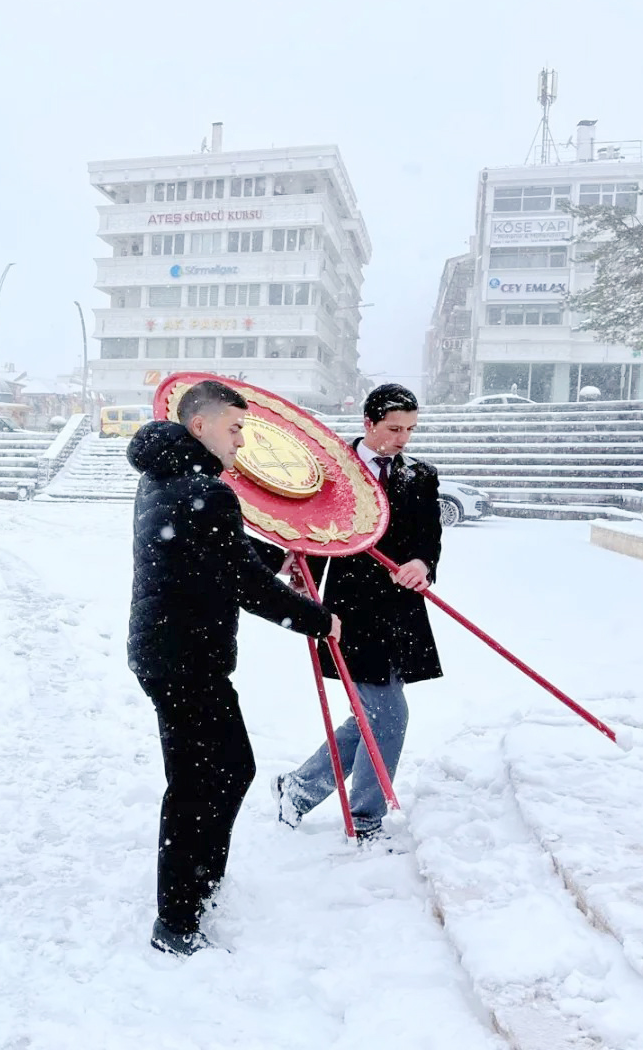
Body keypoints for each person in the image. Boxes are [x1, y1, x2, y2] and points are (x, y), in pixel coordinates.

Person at [127, 379, 341, 957]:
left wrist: (281, 557)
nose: (243, 442)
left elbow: (216, 554)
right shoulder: (204, 492)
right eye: (236, 428)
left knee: (213, 774)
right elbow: (242, 580)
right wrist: (318, 620)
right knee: (210, 779)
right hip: (186, 657)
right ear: (201, 426)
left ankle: (197, 891)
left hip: (168, 651)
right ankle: (178, 921)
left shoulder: (167, 478)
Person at [275, 383, 442, 843]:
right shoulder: (334, 473)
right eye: (393, 428)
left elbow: (429, 538)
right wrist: (301, 576)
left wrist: (421, 563)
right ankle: (367, 819)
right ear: (368, 424)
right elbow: (312, 533)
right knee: (388, 717)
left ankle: (299, 789)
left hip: (403, 613)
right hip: (351, 615)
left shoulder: (421, 476)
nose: (403, 439)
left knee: (369, 716)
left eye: (410, 429)